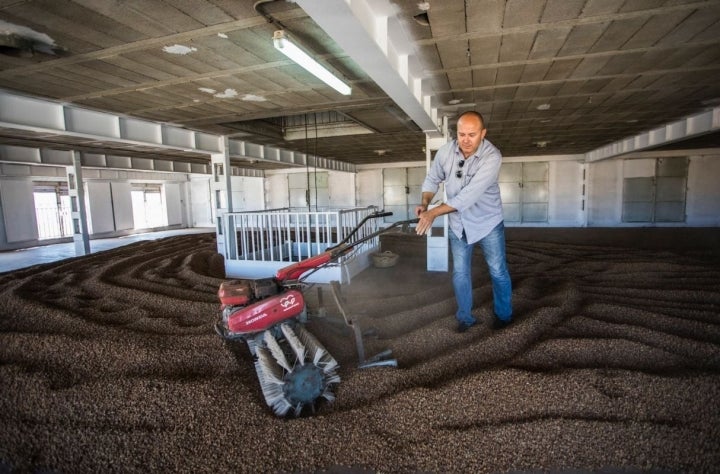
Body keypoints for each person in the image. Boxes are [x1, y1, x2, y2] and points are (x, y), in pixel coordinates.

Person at [415, 111, 512, 333]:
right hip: (459, 224)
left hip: (488, 222)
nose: (466, 140)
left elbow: (467, 197)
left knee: (497, 270)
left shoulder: (492, 156)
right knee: (460, 273)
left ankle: (504, 316)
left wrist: (434, 213)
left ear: (483, 134)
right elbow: (432, 179)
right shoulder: (446, 152)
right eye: (461, 134)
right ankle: (464, 317)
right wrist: (425, 202)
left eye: (472, 134)